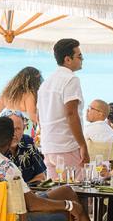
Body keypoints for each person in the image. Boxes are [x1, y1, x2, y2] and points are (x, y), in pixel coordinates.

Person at [37, 38, 88, 181]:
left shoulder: (46, 83)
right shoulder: (71, 79)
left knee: (56, 191)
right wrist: (82, 145)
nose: (82, 59)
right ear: (67, 59)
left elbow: (38, 116)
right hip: (66, 146)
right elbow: (71, 114)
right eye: (79, 56)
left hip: (48, 147)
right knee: (75, 189)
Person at [0, 67, 42, 141]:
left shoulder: (7, 93)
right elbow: (33, 117)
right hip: (23, 132)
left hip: (6, 130)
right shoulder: (29, 94)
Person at [0, 109, 46, 186]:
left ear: (23, 128)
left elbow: (41, 177)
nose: (13, 133)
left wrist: (22, 190)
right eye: (9, 129)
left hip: (30, 192)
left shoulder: (28, 142)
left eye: (17, 129)